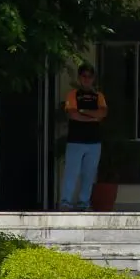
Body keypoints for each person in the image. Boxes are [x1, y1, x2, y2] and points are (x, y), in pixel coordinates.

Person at [60, 63, 108, 211]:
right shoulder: (73, 94)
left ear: (93, 78)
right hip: (75, 141)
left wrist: (83, 112)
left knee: (89, 174)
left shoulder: (98, 96)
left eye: (90, 76)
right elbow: (73, 114)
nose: (87, 79)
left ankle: (84, 202)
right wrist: (92, 117)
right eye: (84, 76)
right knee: (71, 173)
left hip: (94, 142)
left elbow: (103, 113)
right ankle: (66, 202)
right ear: (80, 78)